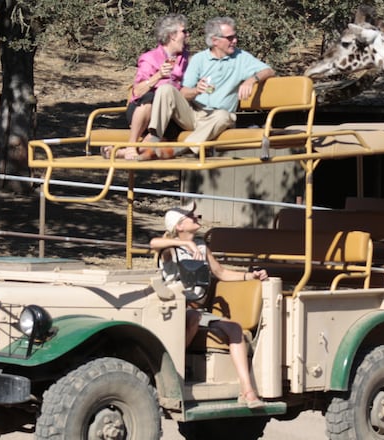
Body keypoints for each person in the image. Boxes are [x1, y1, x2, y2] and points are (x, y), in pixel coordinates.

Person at [150, 201, 268, 408]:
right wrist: (184, 244)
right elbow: (154, 243)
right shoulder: (170, 250)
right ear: (179, 226)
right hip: (173, 310)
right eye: (190, 216)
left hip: (196, 310)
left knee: (234, 328)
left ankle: (248, 391)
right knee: (193, 319)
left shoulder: (202, 247)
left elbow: (221, 273)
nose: (197, 217)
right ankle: (171, 375)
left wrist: (250, 276)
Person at [140, 16, 276, 159]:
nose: (235, 41)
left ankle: (180, 150)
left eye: (235, 36)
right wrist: (196, 91)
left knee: (225, 116)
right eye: (230, 38)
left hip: (217, 118)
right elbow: (184, 92)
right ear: (214, 40)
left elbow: (269, 71)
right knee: (165, 89)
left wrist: (251, 80)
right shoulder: (199, 59)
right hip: (194, 114)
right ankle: (154, 139)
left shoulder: (241, 57)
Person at [102, 13, 190, 160]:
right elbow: (137, 91)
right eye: (184, 31)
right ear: (172, 35)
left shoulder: (184, 58)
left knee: (162, 139)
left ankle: (119, 152)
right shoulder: (150, 58)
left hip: (168, 113)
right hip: (143, 111)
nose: (187, 35)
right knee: (149, 98)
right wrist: (158, 75)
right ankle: (131, 145)